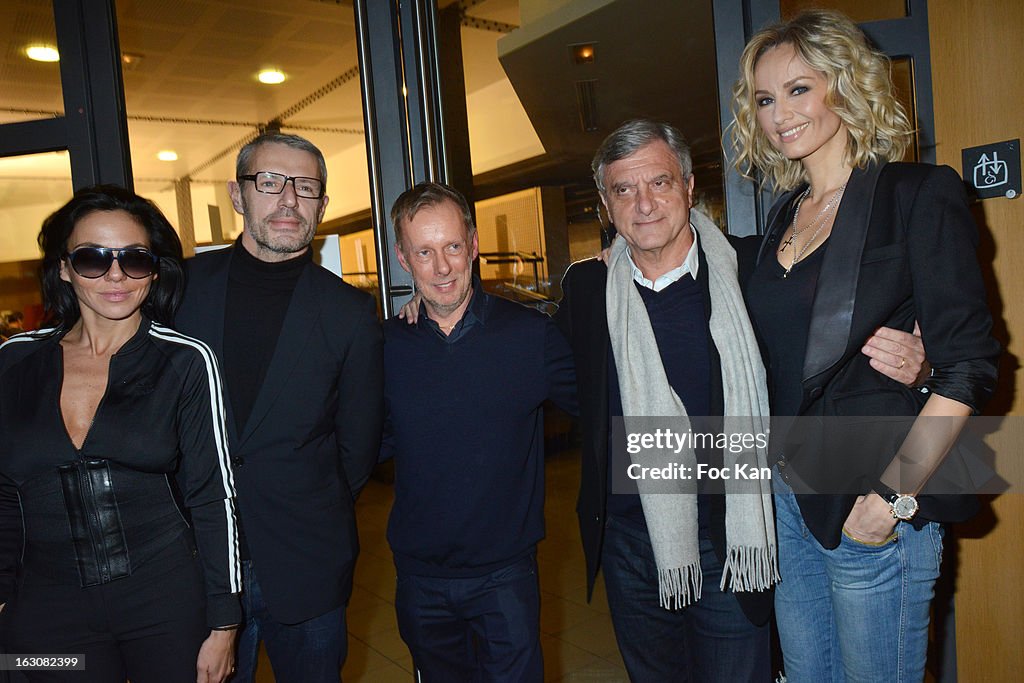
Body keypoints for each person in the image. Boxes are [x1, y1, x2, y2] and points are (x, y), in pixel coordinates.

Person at [556, 118, 930, 682]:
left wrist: (924, 364)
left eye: (658, 182)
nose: (644, 204)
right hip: (631, 538)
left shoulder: (753, 267)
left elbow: (837, 343)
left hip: (738, 534)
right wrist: (433, 310)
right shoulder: (586, 290)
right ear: (606, 206)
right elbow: (533, 363)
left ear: (687, 187)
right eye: (623, 190)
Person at [730, 10, 1000, 681]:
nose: (779, 114)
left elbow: (970, 364)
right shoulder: (782, 217)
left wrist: (889, 501)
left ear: (845, 85)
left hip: (870, 500)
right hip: (788, 499)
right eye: (765, 99)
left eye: (798, 89)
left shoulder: (916, 194)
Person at [0, 185, 240, 682]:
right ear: (64, 267)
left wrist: (224, 625)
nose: (115, 275)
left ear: (154, 270)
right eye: (92, 257)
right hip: (46, 612)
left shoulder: (186, 360)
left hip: (166, 606)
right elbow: (2, 493)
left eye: (134, 258)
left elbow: (213, 496)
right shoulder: (13, 361)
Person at [174, 132, 384, 682]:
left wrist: (311, 503)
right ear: (238, 196)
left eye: (306, 187)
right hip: (199, 564)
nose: (289, 199)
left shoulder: (350, 313)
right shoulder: (181, 292)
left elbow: (357, 446)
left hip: (307, 563)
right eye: (270, 183)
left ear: (322, 204)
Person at [382, 182, 576, 682]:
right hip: (420, 578)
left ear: (472, 245)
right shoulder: (383, 346)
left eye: (451, 247)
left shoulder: (530, 335)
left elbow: (605, 408)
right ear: (403, 258)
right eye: (424, 252)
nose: (441, 267)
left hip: (505, 576)